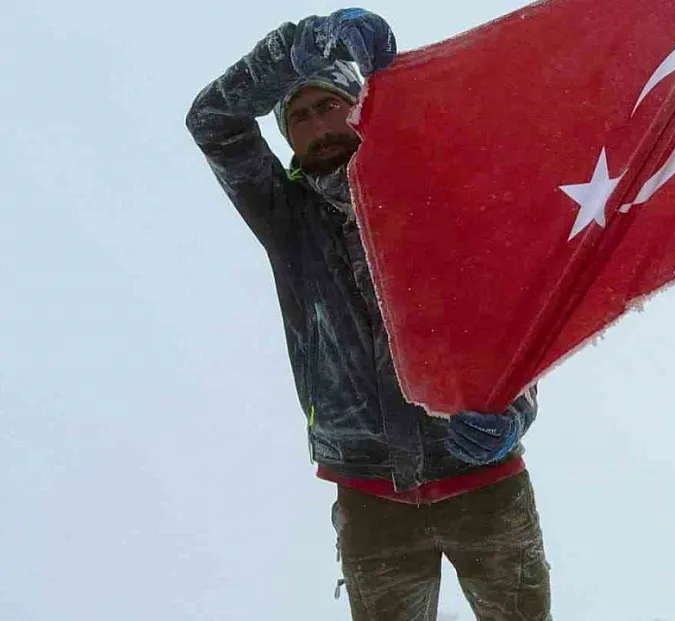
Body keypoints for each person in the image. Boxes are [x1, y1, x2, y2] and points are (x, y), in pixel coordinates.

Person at [185, 9, 552, 620]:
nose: (318, 122)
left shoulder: (436, 193)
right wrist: (298, 49)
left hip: (485, 482)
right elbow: (212, 121)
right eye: (299, 116)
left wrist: (516, 412)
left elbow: (513, 315)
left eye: (330, 103)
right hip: (369, 498)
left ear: (358, 107)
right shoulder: (287, 217)